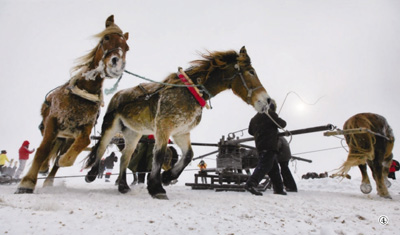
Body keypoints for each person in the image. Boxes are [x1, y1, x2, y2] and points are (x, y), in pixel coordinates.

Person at [245, 100, 287, 196]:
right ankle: (251, 183)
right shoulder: (270, 114)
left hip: (260, 144)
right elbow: (282, 124)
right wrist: (273, 118)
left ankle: (278, 188)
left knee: (273, 167)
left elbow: (250, 131)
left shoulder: (254, 118)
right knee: (265, 165)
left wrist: (260, 128)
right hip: (270, 144)